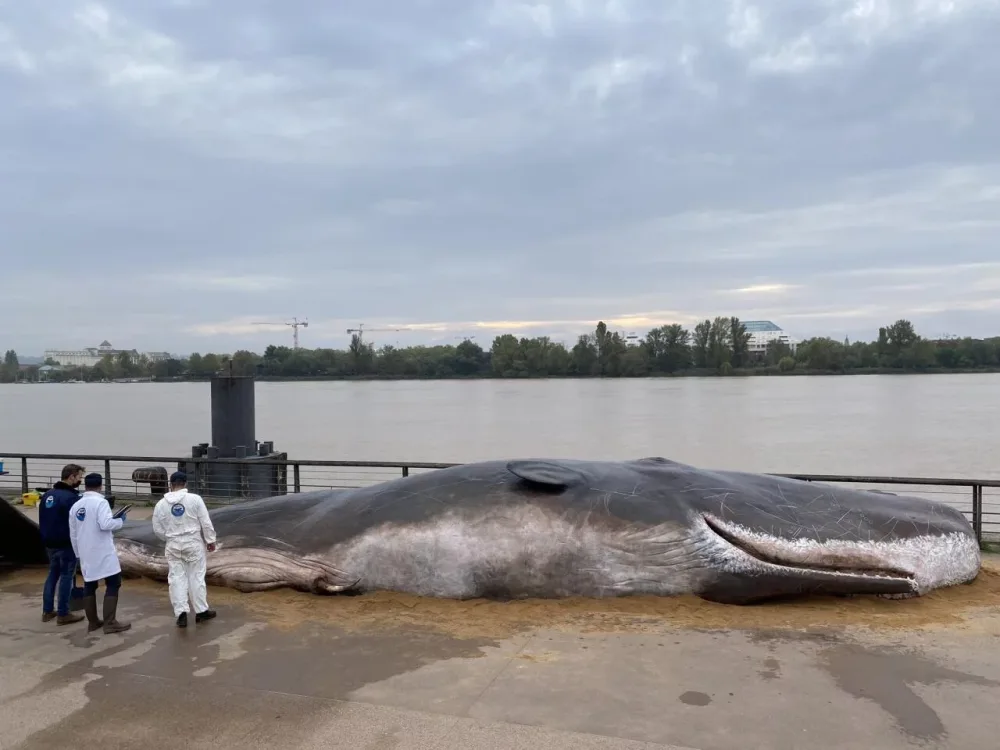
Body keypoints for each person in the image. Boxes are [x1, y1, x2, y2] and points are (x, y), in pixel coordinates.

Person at [152, 471, 217, 628]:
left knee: (176, 578)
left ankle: (181, 614)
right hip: (193, 542)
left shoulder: (161, 504)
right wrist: (210, 540)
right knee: (196, 577)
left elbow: (157, 529)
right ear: (185, 483)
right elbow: (205, 522)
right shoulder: (195, 499)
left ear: (170, 484)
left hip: (173, 544)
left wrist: (169, 538)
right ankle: (201, 611)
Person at [68, 473, 132, 634]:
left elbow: (73, 533)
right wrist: (120, 520)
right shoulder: (101, 502)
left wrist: (78, 553)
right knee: (114, 583)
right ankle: (110, 622)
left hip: (85, 551)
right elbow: (106, 524)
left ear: (85, 486)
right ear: (100, 486)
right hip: (102, 551)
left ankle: (93, 622)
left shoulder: (76, 506)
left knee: (89, 585)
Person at [38, 464, 86, 625]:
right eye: (79, 477)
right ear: (71, 477)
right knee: (66, 576)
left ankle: (47, 611)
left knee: (53, 574)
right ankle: (63, 613)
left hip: (49, 541)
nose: (80, 480)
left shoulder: (48, 495)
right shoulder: (71, 498)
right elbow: (79, 520)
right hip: (65, 543)